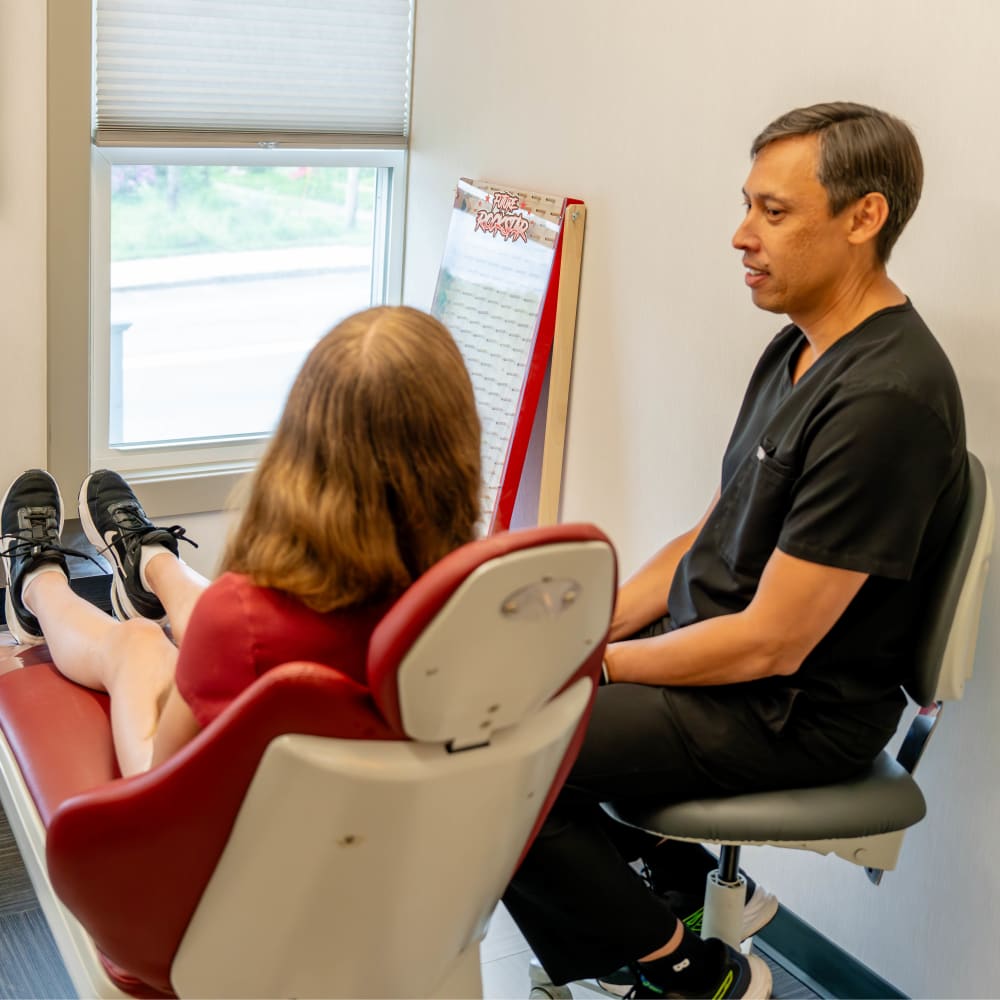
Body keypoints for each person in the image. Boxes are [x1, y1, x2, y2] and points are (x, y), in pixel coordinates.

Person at [508, 102, 967, 1000]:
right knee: (499, 702)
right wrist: (588, 629)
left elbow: (773, 644)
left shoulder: (887, 400)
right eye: (747, 205)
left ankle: (691, 975)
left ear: (864, 218)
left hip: (789, 710)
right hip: (723, 666)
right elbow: (709, 533)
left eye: (774, 212)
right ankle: (678, 892)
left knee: (499, 756)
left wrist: (598, 666)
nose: (741, 235)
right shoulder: (800, 347)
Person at [1, 305, 481, 777]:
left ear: (298, 451)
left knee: (139, 643)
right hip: (378, 811)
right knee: (212, 613)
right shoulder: (478, 606)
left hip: (190, 804)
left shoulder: (239, 622)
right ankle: (149, 562)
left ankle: (37, 585)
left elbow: (166, 782)